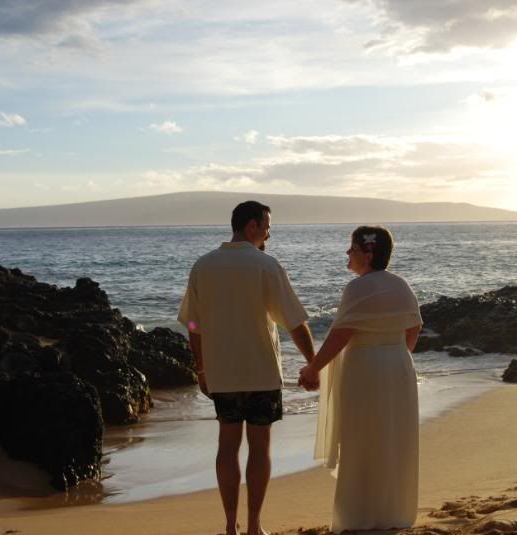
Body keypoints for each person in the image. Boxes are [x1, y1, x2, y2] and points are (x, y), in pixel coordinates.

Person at [178, 200, 316, 535]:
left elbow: (193, 325)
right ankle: (254, 526)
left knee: (227, 446)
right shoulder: (266, 265)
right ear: (251, 226)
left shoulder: (203, 266)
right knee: (259, 447)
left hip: (222, 372)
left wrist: (201, 369)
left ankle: (230, 526)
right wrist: (314, 362)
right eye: (267, 225)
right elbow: (295, 322)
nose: (269, 232)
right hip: (261, 371)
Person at [298, 225, 422, 533]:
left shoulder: (359, 288)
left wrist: (313, 368)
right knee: (394, 437)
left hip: (366, 369)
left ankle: (360, 516)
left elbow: (340, 334)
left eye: (351, 248)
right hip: (399, 366)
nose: (347, 253)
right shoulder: (401, 285)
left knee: (362, 438)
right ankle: (394, 511)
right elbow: (414, 328)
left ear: (367, 253)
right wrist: (395, 355)